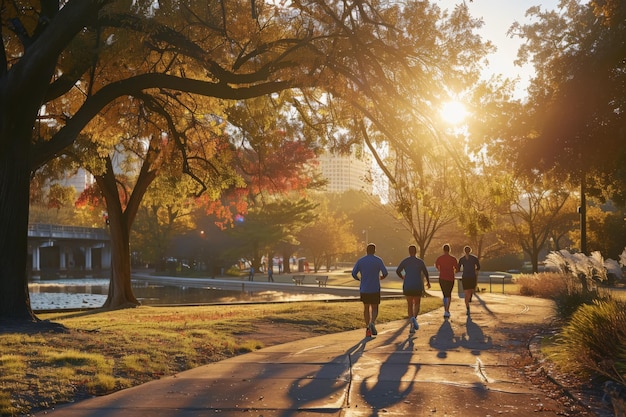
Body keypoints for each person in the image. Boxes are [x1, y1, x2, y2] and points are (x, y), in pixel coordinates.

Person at [352, 243, 388, 337]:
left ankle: (367, 327)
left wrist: (359, 279)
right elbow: (385, 272)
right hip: (375, 288)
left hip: (364, 288)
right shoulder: (378, 260)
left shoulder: (361, 261)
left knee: (366, 308)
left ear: (366, 250)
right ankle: (372, 322)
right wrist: (381, 277)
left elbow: (354, 273)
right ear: (374, 250)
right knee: (375, 307)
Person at [396, 245, 430, 334]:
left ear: (409, 251)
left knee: (410, 305)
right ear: (416, 252)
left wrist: (402, 277)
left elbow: (397, 270)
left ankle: (411, 323)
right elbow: (426, 272)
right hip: (417, 285)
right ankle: (414, 318)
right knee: (417, 303)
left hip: (408, 285)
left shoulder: (405, 261)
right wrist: (428, 282)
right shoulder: (420, 262)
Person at [435, 244, 458, 319]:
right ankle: (447, 310)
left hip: (442, 277)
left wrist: (441, 270)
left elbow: (437, 267)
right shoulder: (453, 259)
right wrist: (453, 272)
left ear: (443, 250)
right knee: (449, 294)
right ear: (449, 250)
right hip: (450, 278)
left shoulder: (439, 258)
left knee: (445, 294)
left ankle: (445, 310)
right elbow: (457, 268)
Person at [457, 245, 480, 316]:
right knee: (471, 290)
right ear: (470, 250)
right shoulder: (473, 258)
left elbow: (458, 268)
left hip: (466, 277)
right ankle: (468, 302)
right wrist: (475, 271)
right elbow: (478, 267)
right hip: (471, 277)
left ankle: (467, 306)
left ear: (464, 251)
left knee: (466, 292)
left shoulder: (463, 259)